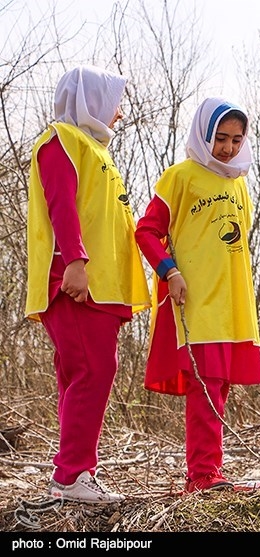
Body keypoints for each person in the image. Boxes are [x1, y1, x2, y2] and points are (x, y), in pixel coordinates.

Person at [26, 65, 151, 503]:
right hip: (77, 281)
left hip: (103, 286)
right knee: (93, 369)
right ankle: (71, 475)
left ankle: (73, 472)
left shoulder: (97, 150)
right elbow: (61, 203)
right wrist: (76, 261)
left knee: (79, 372)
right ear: (92, 101)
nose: (118, 114)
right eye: (114, 102)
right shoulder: (62, 139)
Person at [135, 97, 260, 494]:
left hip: (233, 301)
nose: (228, 148)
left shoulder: (239, 183)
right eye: (220, 138)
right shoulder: (181, 176)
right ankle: (203, 476)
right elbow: (146, 231)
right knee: (206, 384)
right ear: (204, 134)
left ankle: (212, 470)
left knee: (221, 384)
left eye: (236, 140)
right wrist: (168, 270)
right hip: (196, 299)